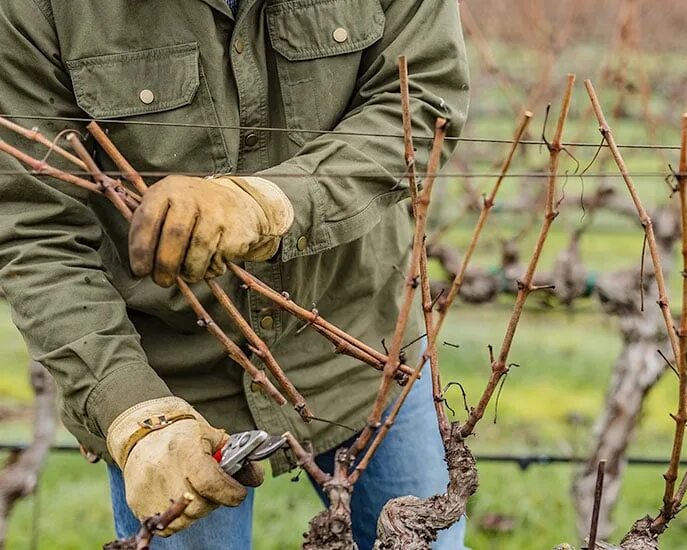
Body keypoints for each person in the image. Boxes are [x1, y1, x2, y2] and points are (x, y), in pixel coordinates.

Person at [0, 0, 470, 548]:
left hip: (366, 349)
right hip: (172, 385)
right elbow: (35, 228)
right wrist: (132, 410)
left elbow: (419, 99)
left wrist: (273, 202)